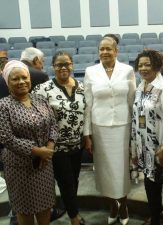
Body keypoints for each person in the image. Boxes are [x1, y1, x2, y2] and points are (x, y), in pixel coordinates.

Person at [84, 37, 136, 225]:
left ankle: (122, 205)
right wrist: (87, 133)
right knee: (105, 170)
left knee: (121, 169)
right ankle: (112, 206)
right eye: (101, 49)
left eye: (108, 49)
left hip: (122, 125)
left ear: (116, 51)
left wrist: (135, 129)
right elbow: (88, 104)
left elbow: (132, 100)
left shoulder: (127, 70)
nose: (105, 52)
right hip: (100, 127)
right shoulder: (91, 72)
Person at [0, 60, 58, 225]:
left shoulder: (40, 100)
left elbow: (53, 125)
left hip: (44, 166)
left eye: (24, 77)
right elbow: (6, 137)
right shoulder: (3, 106)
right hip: (20, 169)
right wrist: (37, 151)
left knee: (45, 206)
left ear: (30, 79)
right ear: (7, 82)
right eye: (15, 79)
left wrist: (49, 148)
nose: (21, 82)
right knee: (25, 209)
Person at [32, 51, 86, 225]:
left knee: (74, 180)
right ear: (53, 67)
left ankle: (71, 208)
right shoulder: (42, 89)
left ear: (72, 65)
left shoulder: (82, 87)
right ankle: (74, 217)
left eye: (67, 64)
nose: (63, 67)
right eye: (59, 65)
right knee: (66, 181)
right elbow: (37, 119)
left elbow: (86, 113)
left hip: (77, 144)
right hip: (56, 147)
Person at [131, 49, 163, 225]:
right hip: (143, 144)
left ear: (157, 66)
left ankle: (155, 218)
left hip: (158, 146)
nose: (143, 68)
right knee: (151, 182)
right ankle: (157, 213)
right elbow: (136, 116)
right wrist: (135, 147)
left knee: (153, 183)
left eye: (147, 64)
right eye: (140, 65)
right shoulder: (140, 86)